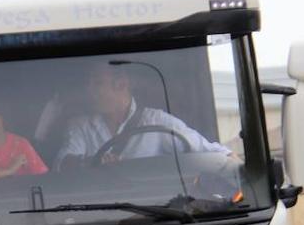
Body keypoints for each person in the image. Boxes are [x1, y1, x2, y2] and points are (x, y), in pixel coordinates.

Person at [56, 60, 231, 169]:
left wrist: (235, 167)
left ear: (122, 84)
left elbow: (214, 153)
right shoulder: (80, 125)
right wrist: (91, 162)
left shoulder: (157, 122)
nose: (90, 91)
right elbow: (62, 164)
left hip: (152, 212)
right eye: (89, 84)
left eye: (97, 83)